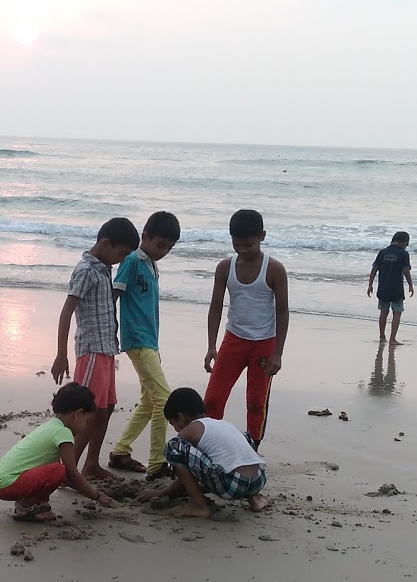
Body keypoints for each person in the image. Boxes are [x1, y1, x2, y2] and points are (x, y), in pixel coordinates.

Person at [51, 217, 140, 480]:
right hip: (91, 350)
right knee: (87, 412)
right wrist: (61, 353)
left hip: (107, 349)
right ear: (105, 243)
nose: (120, 260)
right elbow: (66, 312)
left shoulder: (103, 268)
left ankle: (91, 464)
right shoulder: (86, 270)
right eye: (120, 254)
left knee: (107, 407)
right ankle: (69, 471)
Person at [203, 209, 289, 450]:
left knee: (255, 401)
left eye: (248, 244)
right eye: (236, 243)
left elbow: (282, 312)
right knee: (212, 399)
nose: (241, 249)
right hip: (234, 340)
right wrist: (211, 345)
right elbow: (215, 307)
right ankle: (212, 445)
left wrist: (278, 353)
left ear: (262, 236)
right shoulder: (224, 268)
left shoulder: (274, 270)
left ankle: (252, 449)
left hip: (264, 344)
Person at [107, 211, 181, 480]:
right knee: (164, 400)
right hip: (137, 340)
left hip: (150, 340)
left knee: (150, 401)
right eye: (161, 245)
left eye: (169, 248)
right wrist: (108, 332)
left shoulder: (151, 264)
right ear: (145, 237)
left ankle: (120, 452)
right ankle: (157, 463)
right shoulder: (132, 260)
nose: (164, 252)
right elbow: (114, 294)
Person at [0, 383, 117, 523]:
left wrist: (87, 491)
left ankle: (32, 503)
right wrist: (96, 496)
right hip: (8, 485)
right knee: (57, 469)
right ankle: (26, 508)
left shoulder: (50, 426)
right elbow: (70, 473)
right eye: (87, 420)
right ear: (78, 414)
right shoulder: (63, 432)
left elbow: (65, 478)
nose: (86, 425)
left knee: (55, 470)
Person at [137, 387, 269, 517]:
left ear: (181, 417)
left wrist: (159, 493)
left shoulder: (190, 430)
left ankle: (199, 506)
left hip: (232, 485)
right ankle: (255, 500)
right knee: (243, 439)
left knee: (174, 447)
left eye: (173, 424)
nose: (176, 430)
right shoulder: (220, 424)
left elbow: (184, 474)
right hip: (259, 479)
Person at [367, 231, 415, 345]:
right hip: (396, 288)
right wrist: (410, 285)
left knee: (383, 312)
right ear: (404, 242)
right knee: (397, 313)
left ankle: (382, 336)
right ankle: (392, 339)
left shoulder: (383, 252)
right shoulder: (404, 254)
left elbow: (374, 269)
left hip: (383, 287)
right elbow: (405, 270)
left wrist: (370, 284)